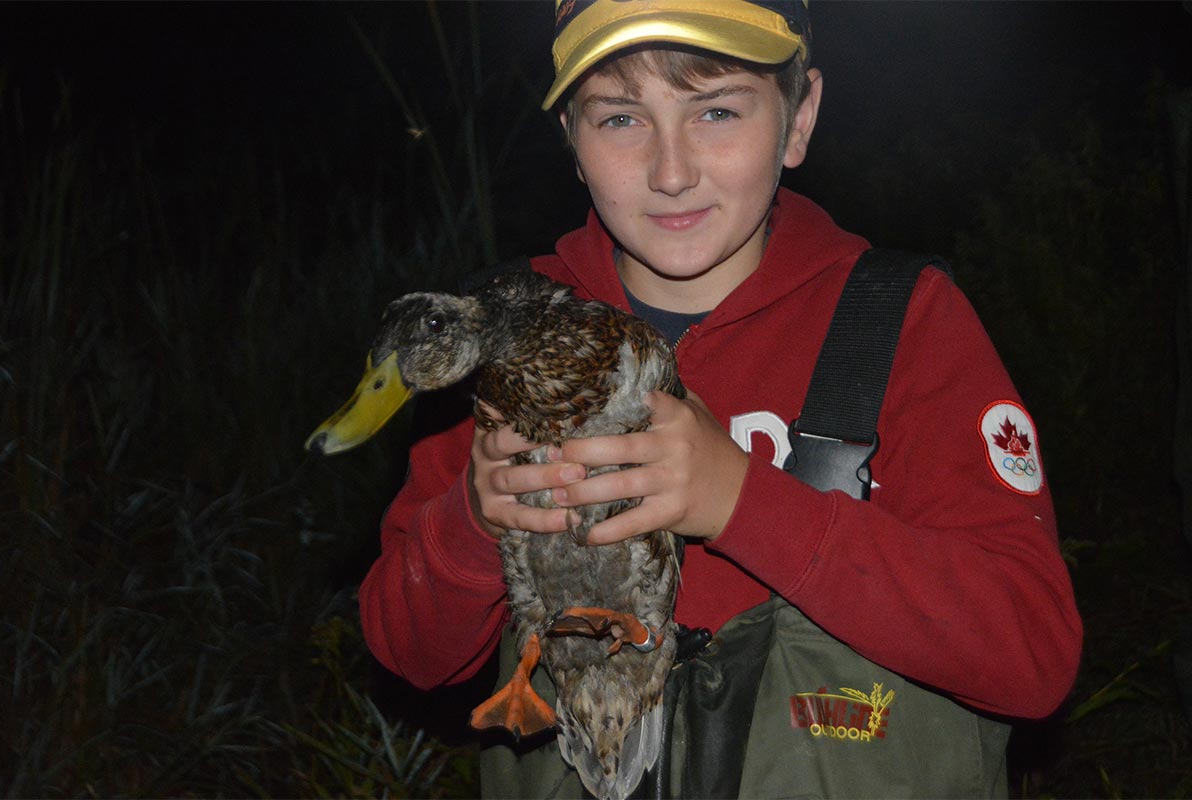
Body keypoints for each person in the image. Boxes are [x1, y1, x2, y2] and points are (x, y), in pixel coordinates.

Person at [358, 0, 1083, 796]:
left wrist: (742, 499)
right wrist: (473, 516)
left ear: (799, 116)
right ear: (570, 138)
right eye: (621, 119)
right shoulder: (491, 340)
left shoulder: (900, 322)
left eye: (717, 109)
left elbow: (1032, 656)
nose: (672, 171)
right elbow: (408, 654)